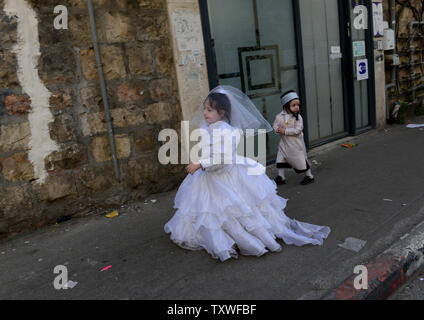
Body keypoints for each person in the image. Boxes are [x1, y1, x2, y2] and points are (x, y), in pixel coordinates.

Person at [164, 85, 330, 262]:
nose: (205, 113)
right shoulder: (210, 128)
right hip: (211, 175)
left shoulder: (226, 131)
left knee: (234, 206)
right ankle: (228, 236)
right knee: (211, 209)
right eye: (205, 108)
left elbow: (223, 157)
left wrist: (200, 164)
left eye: (210, 110)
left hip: (224, 174)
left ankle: (247, 239)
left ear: (222, 112)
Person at [273, 90, 315, 186]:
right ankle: (281, 177)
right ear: (286, 106)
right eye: (293, 105)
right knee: (280, 159)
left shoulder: (298, 117)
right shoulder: (279, 116)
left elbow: (298, 130)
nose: (297, 107)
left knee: (301, 160)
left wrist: (285, 131)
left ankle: (309, 176)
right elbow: (275, 125)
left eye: (298, 105)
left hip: (295, 144)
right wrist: (277, 129)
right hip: (284, 143)